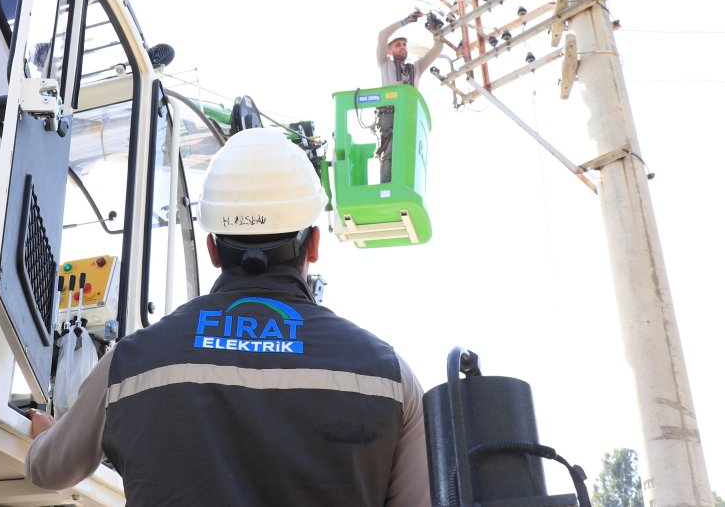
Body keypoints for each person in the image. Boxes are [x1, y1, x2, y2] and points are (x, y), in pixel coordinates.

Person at [24, 128, 430, 506]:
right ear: (314, 246)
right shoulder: (391, 379)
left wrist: (48, 437)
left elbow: (47, 471)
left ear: (213, 250)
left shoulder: (129, 364)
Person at [374, 10, 442, 184]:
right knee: (389, 152)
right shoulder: (385, 64)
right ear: (389, 50)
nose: (402, 47)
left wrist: (436, 31)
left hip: (410, 116)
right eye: (398, 45)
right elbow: (383, 35)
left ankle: (405, 186)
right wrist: (404, 21)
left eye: (404, 44)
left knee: (408, 153)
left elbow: (437, 49)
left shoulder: (416, 68)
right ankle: (387, 187)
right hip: (389, 114)